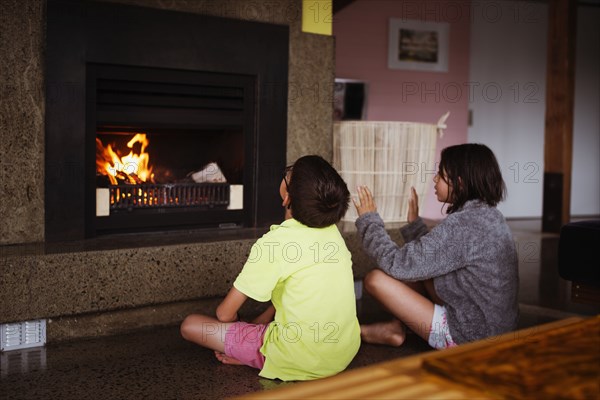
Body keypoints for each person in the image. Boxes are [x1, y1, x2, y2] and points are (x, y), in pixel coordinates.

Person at [180, 155, 361, 381]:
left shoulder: (275, 242)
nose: (285, 174)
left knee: (190, 325)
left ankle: (259, 355)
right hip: (342, 354)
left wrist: (241, 339)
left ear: (287, 198)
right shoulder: (333, 234)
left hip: (295, 357)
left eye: (289, 174)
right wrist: (254, 327)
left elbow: (224, 314)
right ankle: (253, 346)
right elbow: (301, 297)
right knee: (261, 323)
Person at [353, 143, 518, 350]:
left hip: (471, 339)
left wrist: (369, 221)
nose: (434, 178)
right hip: (494, 328)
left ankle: (377, 331)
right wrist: (414, 226)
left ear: (459, 183)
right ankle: (395, 329)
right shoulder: (489, 216)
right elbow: (438, 257)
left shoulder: (464, 224)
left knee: (375, 279)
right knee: (420, 272)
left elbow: (398, 264)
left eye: (440, 174)